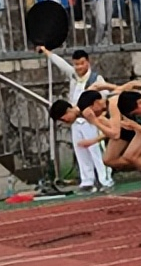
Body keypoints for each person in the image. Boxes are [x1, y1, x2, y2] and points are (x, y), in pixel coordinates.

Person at [41, 47, 113, 192]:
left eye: (82, 63)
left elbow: (104, 97)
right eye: (76, 64)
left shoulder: (95, 79)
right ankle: (87, 181)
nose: (79, 67)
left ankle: (105, 180)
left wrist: (99, 116)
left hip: (91, 118)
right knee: (80, 150)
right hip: (76, 120)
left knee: (96, 150)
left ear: (88, 62)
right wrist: (46, 52)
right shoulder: (73, 76)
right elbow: (61, 64)